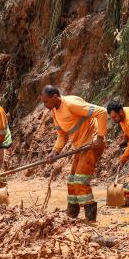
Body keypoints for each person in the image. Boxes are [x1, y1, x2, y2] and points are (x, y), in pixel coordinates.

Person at [41, 85, 107, 222]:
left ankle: (90, 219)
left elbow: (102, 112)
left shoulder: (71, 103)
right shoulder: (54, 112)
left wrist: (100, 138)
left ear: (55, 97)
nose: (44, 105)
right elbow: (62, 135)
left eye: (46, 101)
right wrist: (55, 151)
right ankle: (71, 216)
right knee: (71, 181)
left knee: (80, 180)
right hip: (80, 147)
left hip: (91, 144)